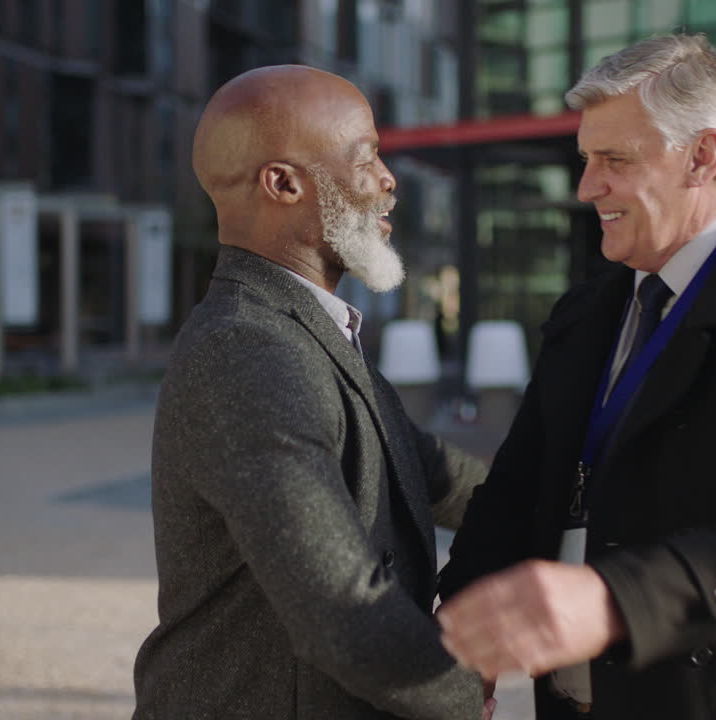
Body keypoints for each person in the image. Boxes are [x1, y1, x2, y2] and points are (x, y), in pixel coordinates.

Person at [437, 34, 716, 720]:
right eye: (586, 160)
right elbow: (518, 490)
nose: (588, 188)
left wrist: (617, 601)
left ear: (702, 156)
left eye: (614, 160)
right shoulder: (583, 310)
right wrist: (456, 637)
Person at [132, 65, 492, 720]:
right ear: (284, 184)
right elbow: (343, 611)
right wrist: (461, 693)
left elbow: (441, 476)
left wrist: (593, 518)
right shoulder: (247, 350)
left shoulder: (306, 330)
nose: (388, 181)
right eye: (367, 159)